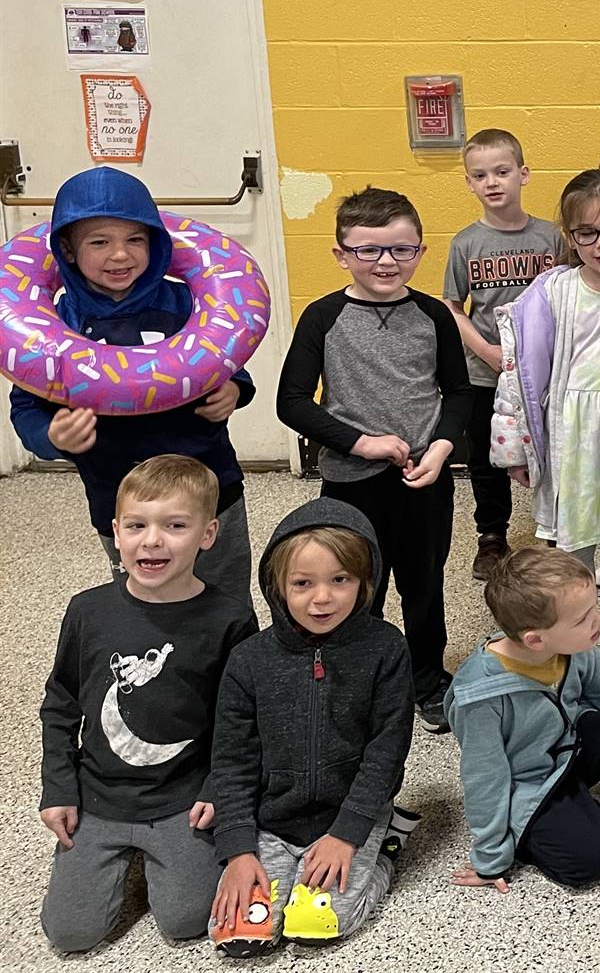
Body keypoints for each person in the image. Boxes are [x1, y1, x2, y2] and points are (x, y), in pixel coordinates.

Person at [38, 456, 257, 954]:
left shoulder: (230, 619)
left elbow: (242, 717)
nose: (152, 540)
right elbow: (60, 706)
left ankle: (159, 856)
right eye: (136, 526)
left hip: (182, 800)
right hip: (98, 797)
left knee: (186, 921)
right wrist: (58, 788)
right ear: (116, 533)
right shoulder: (87, 610)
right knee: (71, 934)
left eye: (175, 526)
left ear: (208, 534)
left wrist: (217, 785)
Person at [276, 187, 471, 733]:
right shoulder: (323, 317)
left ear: (420, 251)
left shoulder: (434, 315)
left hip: (423, 479)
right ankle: (360, 679)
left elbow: (457, 393)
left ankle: (427, 678)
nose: (386, 262)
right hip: (350, 484)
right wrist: (361, 443)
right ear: (341, 254)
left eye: (401, 250)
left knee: (424, 583)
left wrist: (441, 448)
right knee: (357, 586)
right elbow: (291, 402)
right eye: (368, 250)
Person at [9, 167, 256, 593]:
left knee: (224, 592)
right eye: (100, 242)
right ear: (66, 250)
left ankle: (231, 657)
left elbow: (225, 361)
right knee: (143, 596)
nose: (120, 255)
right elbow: (27, 405)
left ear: (157, 244)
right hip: (119, 492)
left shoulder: (186, 304)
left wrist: (236, 390)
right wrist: (52, 435)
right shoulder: (55, 324)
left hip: (209, 483)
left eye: (135, 240)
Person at [206, 500, 415, 952]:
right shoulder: (248, 660)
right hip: (272, 818)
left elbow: (387, 750)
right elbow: (232, 759)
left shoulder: (387, 648)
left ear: (365, 583)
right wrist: (238, 850)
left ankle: (385, 852)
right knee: (242, 930)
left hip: (350, 813)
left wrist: (347, 835)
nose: (322, 598)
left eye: (340, 579)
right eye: (303, 583)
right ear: (278, 587)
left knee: (318, 923)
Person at [492, 170, 600, 687]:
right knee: (571, 550)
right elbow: (520, 373)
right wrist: (514, 448)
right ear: (570, 237)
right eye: (587, 233)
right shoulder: (552, 292)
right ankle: (575, 635)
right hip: (568, 434)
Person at [448, 550, 600, 891]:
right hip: (531, 783)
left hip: (572, 749)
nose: (598, 621)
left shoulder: (574, 647)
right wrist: (491, 857)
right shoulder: (480, 697)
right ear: (536, 639)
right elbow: (485, 777)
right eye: (582, 618)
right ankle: (543, 831)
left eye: (595, 606)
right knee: (592, 857)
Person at [444, 128, 562, 582]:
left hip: (541, 372)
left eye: (502, 171)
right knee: (488, 459)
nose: (492, 181)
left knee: (547, 449)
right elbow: (453, 307)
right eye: (480, 174)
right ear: (469, 183)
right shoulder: (465, 243)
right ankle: (492, 535)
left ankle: (553, 528)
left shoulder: (550, 237)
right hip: (485, 372)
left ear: (523, 174)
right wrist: (486, 350)